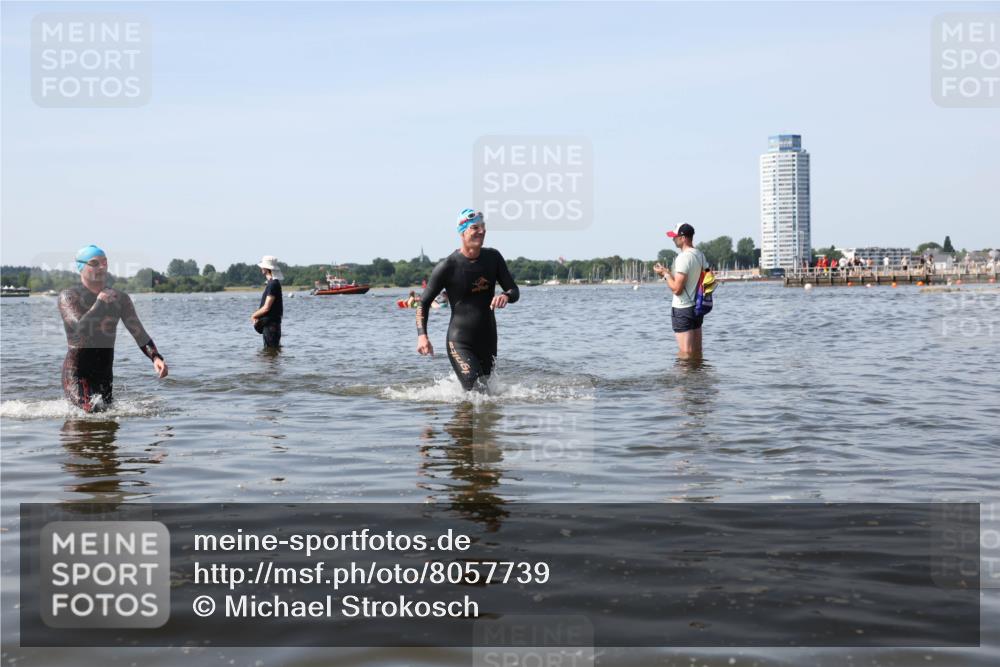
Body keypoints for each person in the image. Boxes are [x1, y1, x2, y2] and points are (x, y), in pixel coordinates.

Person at [416, 209, 519, 392]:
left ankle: (464, 418)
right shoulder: (448, 266)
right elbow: (423, 302)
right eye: (475, 227)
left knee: (487, 394)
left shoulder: (493, 258)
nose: (481, 231)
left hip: (488, 339)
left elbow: (514, 290)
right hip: (460, 340)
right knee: (476, 391)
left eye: (483, 227)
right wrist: (422, 336)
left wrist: (506, 296)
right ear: (462, 232)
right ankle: (462, 419)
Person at [58, 245, 168, 413]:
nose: (101, 267)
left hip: (104, 374)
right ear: (80, 267)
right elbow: (81, 328)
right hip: (77, 374)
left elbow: (138, 332)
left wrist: (155, 356)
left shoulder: (120, 299)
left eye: (104, 262)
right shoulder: (69, 297)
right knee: (92, 413)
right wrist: (100, 303)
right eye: (94, 263)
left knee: (107, 426)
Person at [653, 223, 708, 360]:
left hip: (683, 309)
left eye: (675, 237)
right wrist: (666, 272)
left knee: (685, 354)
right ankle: (698, 379)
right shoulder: (700, 255)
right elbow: (704, 278)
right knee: (696, 352)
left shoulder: (683, 257)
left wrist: (665, 275)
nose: (673, 239)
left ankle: (683, 381)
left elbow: (677, 289)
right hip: (697, 307)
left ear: (683, 238)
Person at [251, 255, 283, 348]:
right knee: (272, 354)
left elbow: (266, 307)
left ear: (267, 268)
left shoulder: (273, 284)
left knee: (270, 354)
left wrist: (253, 315)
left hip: (271, 326)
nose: (261, 268)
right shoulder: (272, 283)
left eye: (262, 266)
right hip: (270, 325)